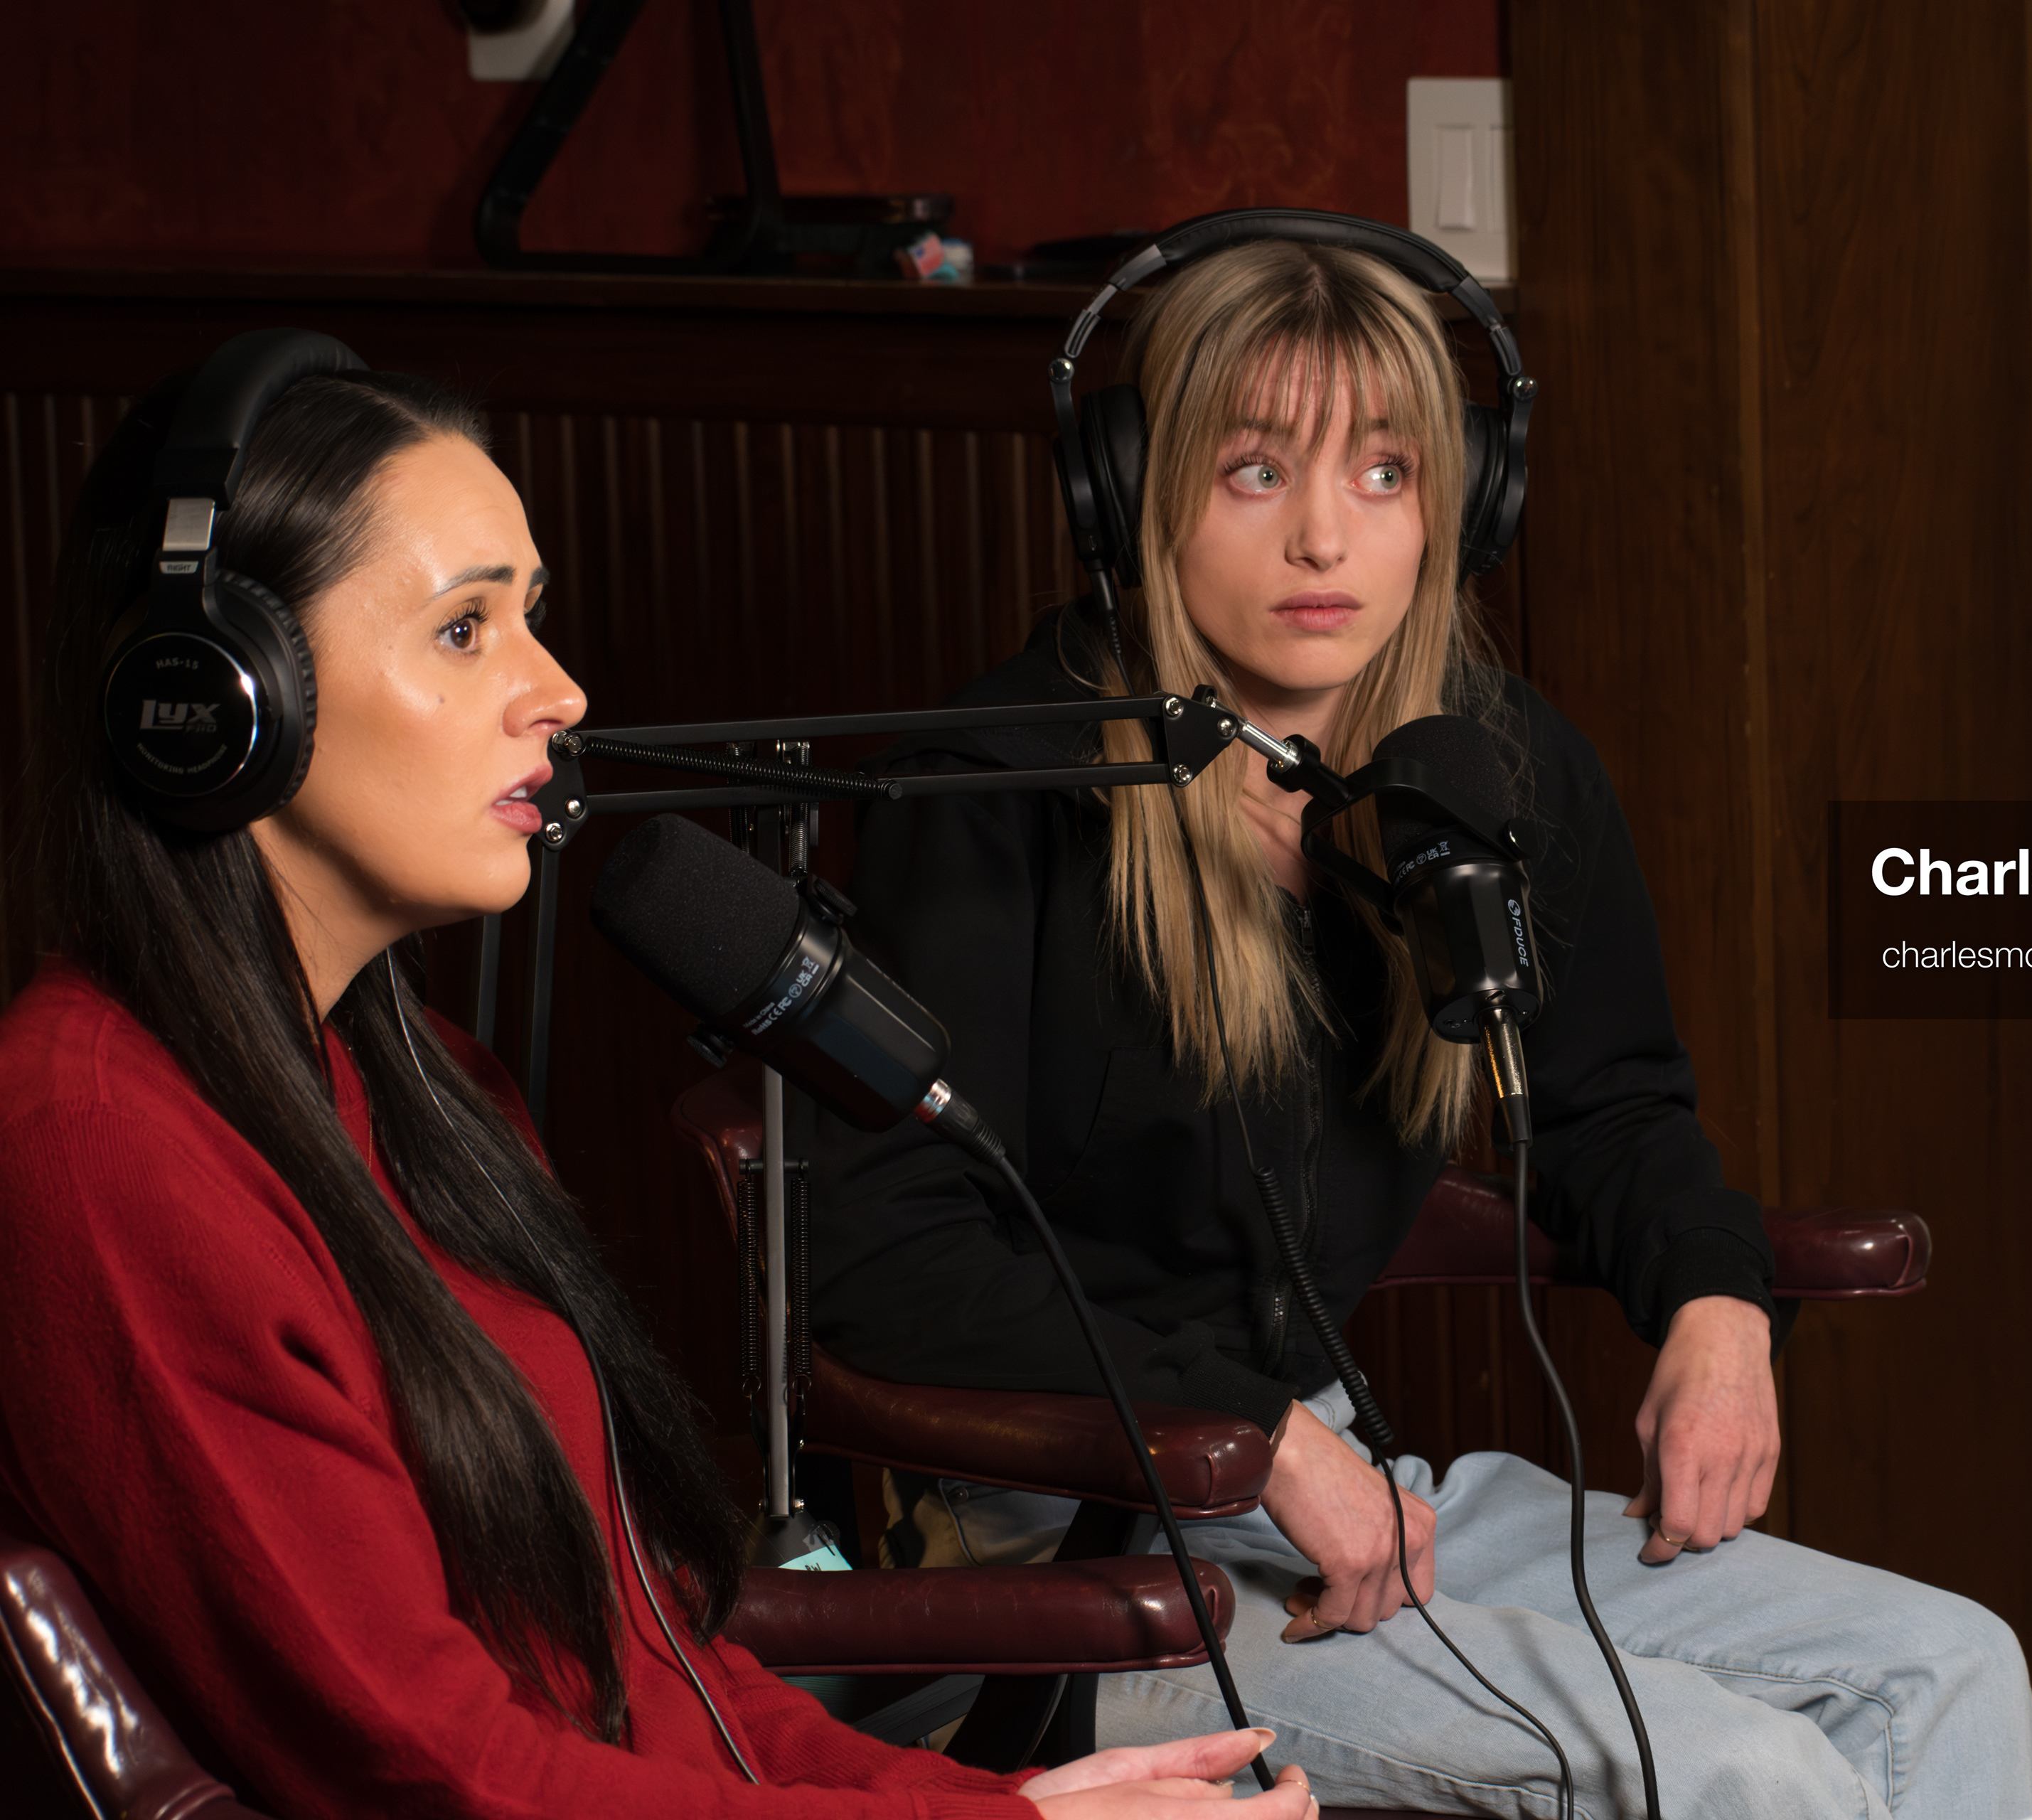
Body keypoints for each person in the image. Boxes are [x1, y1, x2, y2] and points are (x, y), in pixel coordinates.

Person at [804, 237, 2032, 1819]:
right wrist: (1259, 1442)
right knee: (1737, 1769)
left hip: (1338, 1483)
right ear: (1133, 494)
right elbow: (890, 1249)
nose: (1326, 534)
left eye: (1385, 474)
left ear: (1460, 505)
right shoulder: (998, 788)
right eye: (1255, 472)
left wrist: (1719, 1304)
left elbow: (1613, 1107)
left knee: (1951, 1663)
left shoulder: (1493, 770)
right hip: (1069, 1547)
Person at [0, 348, 1320, 1820]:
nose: (555, 688)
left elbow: (655, 1676)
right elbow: (433, 1772)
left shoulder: (427, 1085)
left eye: (533, 616)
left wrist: (1017, 1803)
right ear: (216, 699)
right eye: (461, 629)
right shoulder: (102, 1145)